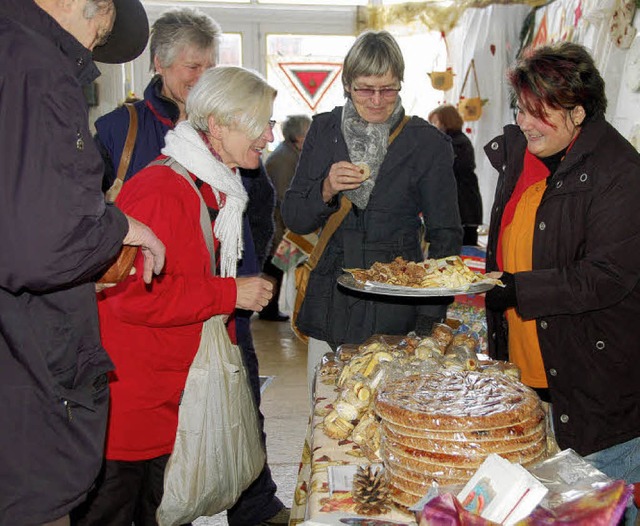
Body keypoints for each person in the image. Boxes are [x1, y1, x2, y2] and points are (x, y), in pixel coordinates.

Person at [93, 9, 288, 525]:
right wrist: (230, 294)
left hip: (168, 394)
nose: (269, 137)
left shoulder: (212, 185)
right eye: (262, 124)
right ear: (220, 126)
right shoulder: (163, 189)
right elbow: (132, 297)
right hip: (135, 406)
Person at [0, 1, 166, 525]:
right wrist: (120, 229)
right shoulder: (37, 65)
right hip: (26, 364)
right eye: (102, 32)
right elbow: (42, 244)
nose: (93, 46)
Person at [483, 42, 640, 524]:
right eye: (520, 109)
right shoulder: (527, 160)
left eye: (540, 112)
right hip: (535, 381)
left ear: (578, 112)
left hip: (596, 396)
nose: (525, 122)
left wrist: (517, 290)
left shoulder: (621, 174)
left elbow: (607, 276)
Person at [281, 30, 463, 390]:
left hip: (397, 305)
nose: (378, 100)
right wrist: (326, 188)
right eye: (366, 88)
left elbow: (446, 236)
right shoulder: (324, 130)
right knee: (329, 411)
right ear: (347, 85)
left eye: (389, 88)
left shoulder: (426, 143)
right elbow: (295, 217)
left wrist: (429, 319)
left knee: (386, 414)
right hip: (331, 298)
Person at [261, 114, 312, 321]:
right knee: (275, 267)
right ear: (299, 137)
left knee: (279, 267)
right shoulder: (284, 158)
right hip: (279, 226)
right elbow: (283, 197)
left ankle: (269, 307)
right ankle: (268, 308)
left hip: (282, 226)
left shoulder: (289, 154)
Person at [428, 104, 483, 246]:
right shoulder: (450, 142)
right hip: (461, 208)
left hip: (463, 208)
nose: (433, 126)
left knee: (461, 255)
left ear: (446, 121)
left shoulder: (455, 143)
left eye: (435, 122)